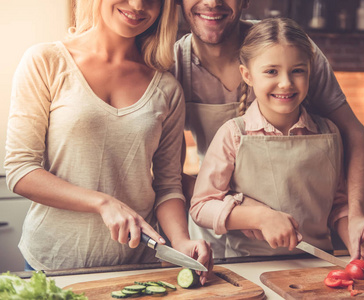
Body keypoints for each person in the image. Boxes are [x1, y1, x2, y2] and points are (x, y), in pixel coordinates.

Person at [4, 0, 212, 284]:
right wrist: (102, 203)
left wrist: (181, 241)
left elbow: (168, 186)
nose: (138, 5)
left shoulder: (167, 88)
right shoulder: (46, 61)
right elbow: (20, 171)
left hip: (136, 265)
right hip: (52, 261)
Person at [173, 0, 364, 272]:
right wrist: (249, 211)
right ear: (247, 75)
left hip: (315, 263)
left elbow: (350, 146)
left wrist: (359, 224)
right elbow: (169, 176)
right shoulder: (174, 65)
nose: (286, 82)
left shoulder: (290, 45)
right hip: (227, 250)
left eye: (297, 71)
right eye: (271, 72)